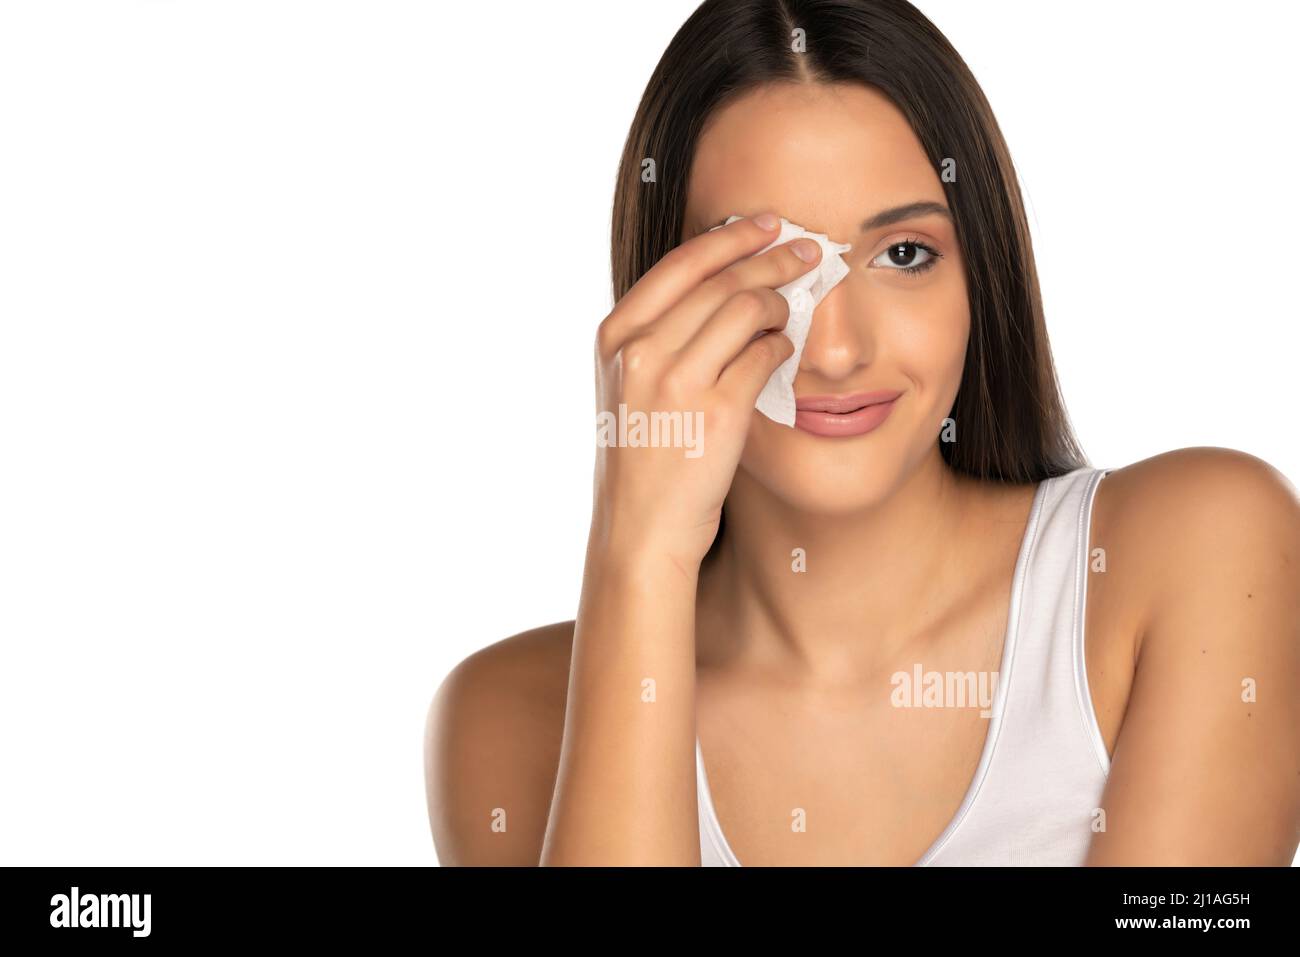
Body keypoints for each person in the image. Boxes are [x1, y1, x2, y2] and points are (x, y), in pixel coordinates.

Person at [424, 0, 1300, 866]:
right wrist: (638, 554)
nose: (836, 351)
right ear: (658, 300)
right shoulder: (508, 717)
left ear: (979, 277)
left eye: (904, 254)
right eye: (763, 270)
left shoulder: (1201, 548)